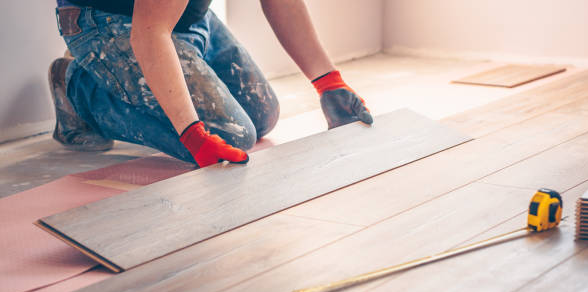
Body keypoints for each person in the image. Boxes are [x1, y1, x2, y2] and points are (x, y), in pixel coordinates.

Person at [50, 0, 373, 167]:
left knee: (263, 116)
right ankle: (77, 88)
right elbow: (149, 32)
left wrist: (329, 83)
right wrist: (193, 135)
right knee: (231, 135)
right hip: (110, 23)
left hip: (186, 18)